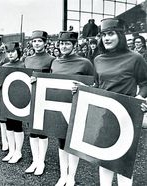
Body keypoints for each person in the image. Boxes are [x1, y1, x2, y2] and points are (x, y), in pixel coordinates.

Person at [94, 18, 147, 186]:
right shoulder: (98, 59)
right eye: (103, 35)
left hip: (127, 116)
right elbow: (97, 84)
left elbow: (145, 84)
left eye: (111, 34)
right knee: (105, 158)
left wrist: (140, 99)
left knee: (123, 162)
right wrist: (81, 88)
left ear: (120, 36)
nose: (106, 38)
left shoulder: (136, 58)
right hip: (105, 116)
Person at [51, 31, 94, 186]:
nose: (64, 46)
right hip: (59, 106)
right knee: (61, 142)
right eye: (62, 43)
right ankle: (63, 175)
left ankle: (71, 176)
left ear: (74, 45)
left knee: (73, 142)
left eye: (67, 43)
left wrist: (84, 87)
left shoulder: (85, 63)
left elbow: (94, 85)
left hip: (77, 107)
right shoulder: (55, 62)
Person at [24, 30, 55, 176]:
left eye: (40, 41)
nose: (37, 44)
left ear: (45, 43)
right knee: (31, 131)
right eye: (34, 41)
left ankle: (41, 161)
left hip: (44, 97)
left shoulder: (51, 59)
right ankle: (35, 160)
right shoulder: (27, 59)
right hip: (30, 97)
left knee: (42, 131)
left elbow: (54, 80)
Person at [0, 42, 25, 163]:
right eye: (8, 52)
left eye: (13, 52)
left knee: (17, 125)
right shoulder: (4, 66)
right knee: (8, 125)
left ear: (18, 52)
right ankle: (11, 150)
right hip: (7, 99)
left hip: (19, 99)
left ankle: (18, 151)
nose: (10, 54)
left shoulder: (24, 65)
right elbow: (1, 83)